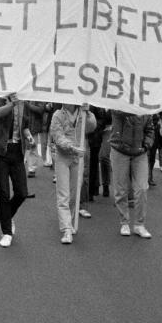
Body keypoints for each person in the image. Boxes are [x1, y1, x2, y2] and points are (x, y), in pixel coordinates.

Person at [0, 92, 32, 248]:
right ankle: (6, 232)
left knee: (22, 192)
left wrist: (29, 136)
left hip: (17, 151)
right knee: (3, 193)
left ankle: (7, 216)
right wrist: (12, 103)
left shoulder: (22, 101)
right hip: (0, 151)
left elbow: (24, 125)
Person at [50, 103, 96, 244]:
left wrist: (88, 113)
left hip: (78, 158)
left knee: (75, 193)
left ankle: (70, 222)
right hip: (63, 157)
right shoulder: (58, 115)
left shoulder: (83, 113)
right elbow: (58, 137)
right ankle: (66, 229)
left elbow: (91, 127)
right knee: (63, 194)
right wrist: (72, 147)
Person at [109, 110, 154, 239]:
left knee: (142, 188)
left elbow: (150, 129)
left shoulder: (146, 108)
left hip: (140, 152)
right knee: (121, 189)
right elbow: (115, 112)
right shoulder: (120, 105)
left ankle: (140, 224)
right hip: (119, 150)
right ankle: (124, 222)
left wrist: (146, 145)